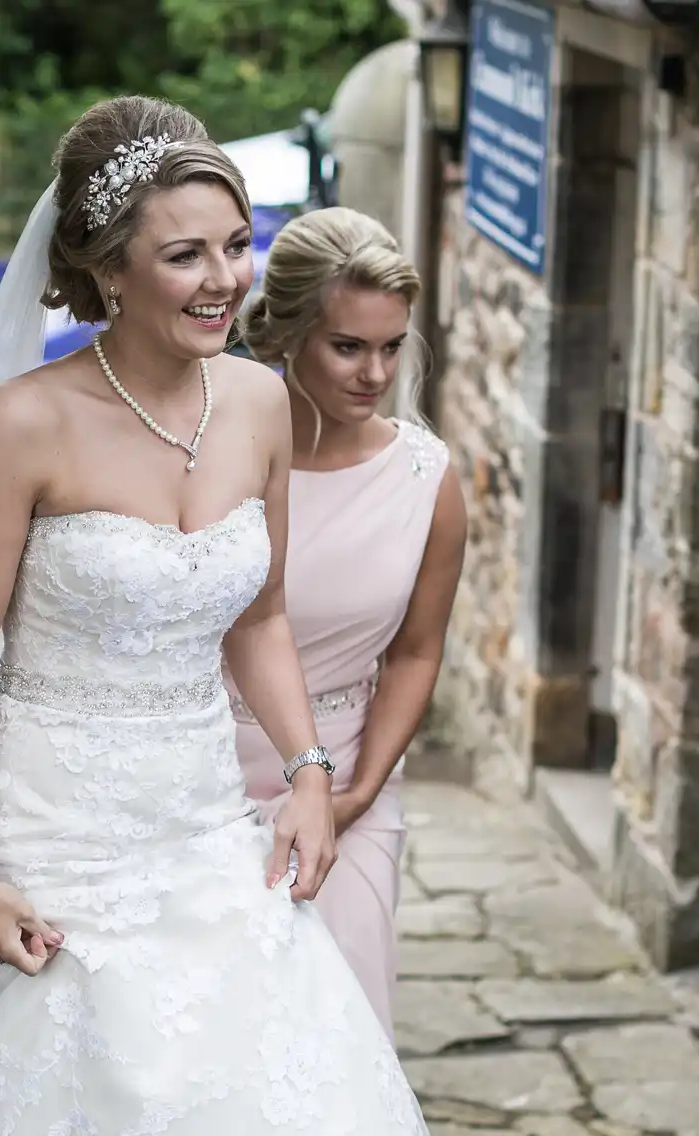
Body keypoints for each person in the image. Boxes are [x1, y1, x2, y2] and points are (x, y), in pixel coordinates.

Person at [0, 95, 465, 1136]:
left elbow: (258, 612)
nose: (222, 278)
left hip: (200, 821)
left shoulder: (251, 403)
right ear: (100, 266)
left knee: (271, 1119)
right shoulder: (18, 429)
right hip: (51, 835)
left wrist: (302, 767)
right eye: (184, 253)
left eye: (233, 244)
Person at [234, 208, 466, 1039]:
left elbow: (415, 649)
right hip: (195, 774)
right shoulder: (216, 452)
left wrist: (360, 786)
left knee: (337, 1036)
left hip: (349, 783)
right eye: (348, 346)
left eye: (392, 346)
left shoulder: (424, 478)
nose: (376, 372)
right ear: (289, 334)